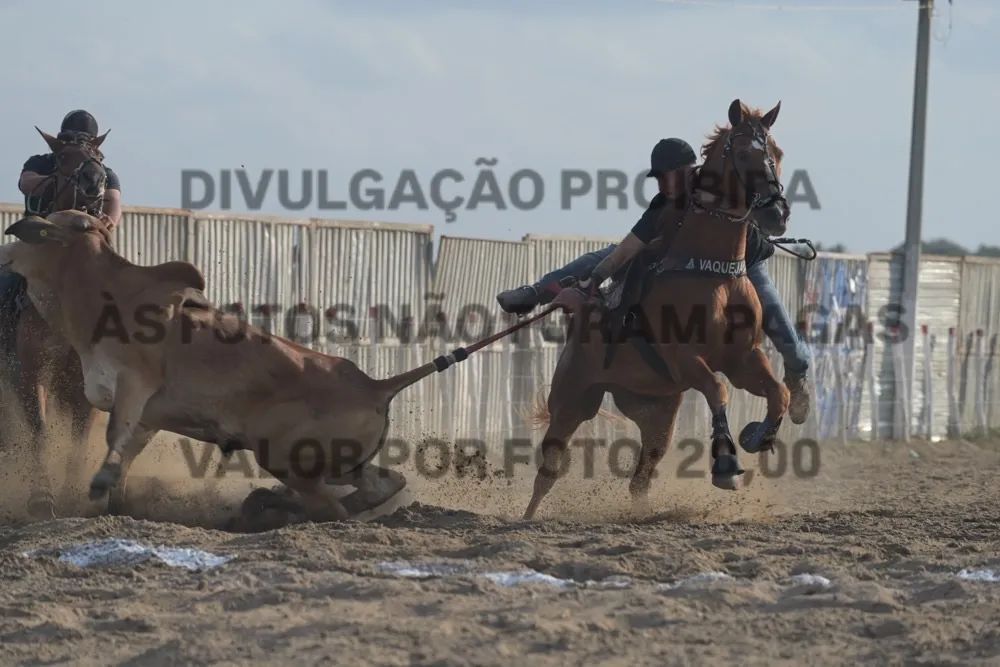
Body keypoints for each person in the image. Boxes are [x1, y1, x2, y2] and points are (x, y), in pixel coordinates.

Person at [495, 138, 811, 423]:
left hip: (746, 265)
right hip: (690, 266)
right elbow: (632, 244)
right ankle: (534, 292)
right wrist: (597, 277)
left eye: (666, 176)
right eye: (658, 177)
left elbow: (765, 203)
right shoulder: (664, 203)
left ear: (688, 171)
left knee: (781, 328)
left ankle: (796, 376)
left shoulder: (725, 185)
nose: (661, 184)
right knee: (607, 254)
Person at [1, 110, 122, 359]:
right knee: (6, 281)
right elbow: (26, 182)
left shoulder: (104, 173)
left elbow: (114, 204)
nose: (77, 147)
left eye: (83, 143)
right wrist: (58, 180)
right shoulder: (40, 163)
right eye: (71, 141)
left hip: (86, 248)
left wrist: (108, 220)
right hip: (37, 243)